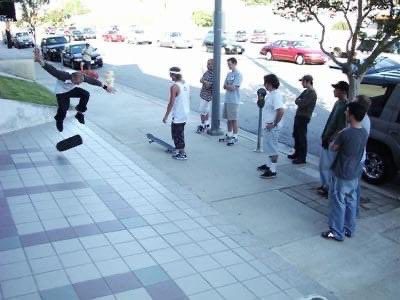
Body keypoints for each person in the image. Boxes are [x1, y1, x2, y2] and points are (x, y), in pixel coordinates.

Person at [34, 48, 113, 132]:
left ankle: (79, 113)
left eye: (80, 82)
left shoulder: (81, 77)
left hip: (71, 90)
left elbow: (92, 81)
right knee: (64, 109)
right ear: (72, 78)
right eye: (77, 83)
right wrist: (40, 61)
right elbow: (51, 70)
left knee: (85, 94)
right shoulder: (63, 76)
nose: (78, 84)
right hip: (61, 93)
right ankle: (59, 120)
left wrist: (105, 87)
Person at [321, 101, 368, 241]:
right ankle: (349, 228)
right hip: (354, 172)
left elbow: (332, 148)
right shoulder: (364, 132)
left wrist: (336, 136)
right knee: (351, 200)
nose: (345, 113)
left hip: (341, 172)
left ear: (352, 115)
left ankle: (336, 232)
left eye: (347, 111)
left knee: (338, 202)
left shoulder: (346, 133)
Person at [317, 81, 349, 198]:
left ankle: (328, 187)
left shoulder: (345, 105)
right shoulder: (337, 103)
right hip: (327, 136)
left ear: (343, 91)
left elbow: (341, 126)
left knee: (327, 165)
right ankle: (325, 184)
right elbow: (331, 121)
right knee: (322, 164)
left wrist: (332, 139)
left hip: (332, 140)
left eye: (336, 89)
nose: (334, 91)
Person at [257, 74, 285, 179]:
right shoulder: (271, 94)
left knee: (273, 148)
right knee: (269, 147)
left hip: (272, 128)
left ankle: (273, 170)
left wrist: (274, 124)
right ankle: (268, 165)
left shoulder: (276, 95)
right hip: (268, 126)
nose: (264, 85)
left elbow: (281, 110)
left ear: (270, 83)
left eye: (265, 83)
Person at [288, 75, 317, 164]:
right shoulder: (305, 91)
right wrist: (299, 101)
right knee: (296, 134)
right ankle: (296, 153)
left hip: (304, 117)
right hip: (299, 115)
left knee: (301, 136)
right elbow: (297, 100)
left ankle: (302, 157)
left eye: (303, 81)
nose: (302, 83)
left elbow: (303, 103)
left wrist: (299, 101)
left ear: (308, 81)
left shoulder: (312, 93)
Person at [163, 67, 190, 160]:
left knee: (177, 134)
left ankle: (182, 153)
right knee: (179, 132)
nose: (170, 77)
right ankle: (178, 149)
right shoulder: (186, 83)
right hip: (185, 112)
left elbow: (171, 103)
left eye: (170, 75)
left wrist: (166, 116)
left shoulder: (174, 87)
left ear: (173, 75)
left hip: (178, 114)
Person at [354, 95, 371, 215]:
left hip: (356, 158)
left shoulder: (362, 121)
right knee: (355, 185)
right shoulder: (364, 118)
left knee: (353, 186)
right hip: (359, 157)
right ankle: (354, 210)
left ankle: (354, 210)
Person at [223, 57, 242, 146]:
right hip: (227, 99)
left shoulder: (238, 74)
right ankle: (229, 134)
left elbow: (234, 88)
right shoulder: (229, 74)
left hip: (234, 100)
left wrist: (228, 86)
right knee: (228, 119)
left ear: (235, 63)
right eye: (228, 64)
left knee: (233, 119)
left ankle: (235, 136)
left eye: (230, 64)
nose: (229, 66)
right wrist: (228, 86)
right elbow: (224, 86)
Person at [197, 59, 214, 133]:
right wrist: (204, 81)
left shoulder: (214, 74)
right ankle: (206, 123)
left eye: (210, 64)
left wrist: (204, 81)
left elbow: (208, 86)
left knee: (202, 110)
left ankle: (202, 124)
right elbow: (200, 79)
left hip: (208, 96)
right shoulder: (207, 72)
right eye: (208, 64)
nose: (208, 65)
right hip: (203, 95)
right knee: (205, 110)